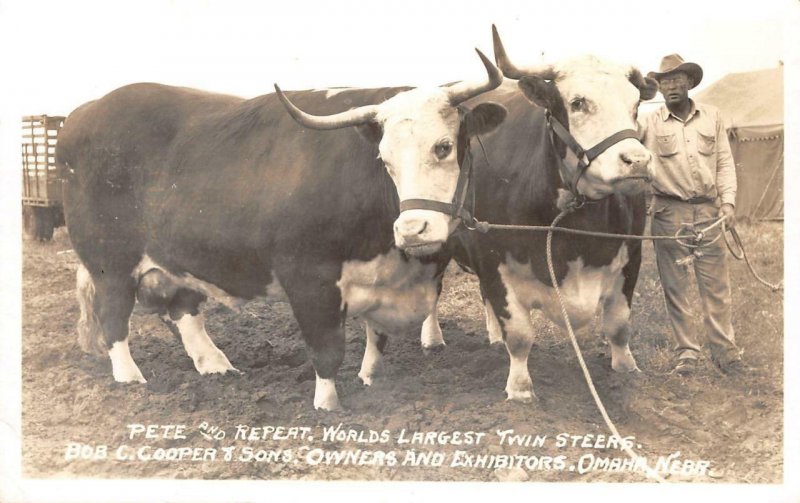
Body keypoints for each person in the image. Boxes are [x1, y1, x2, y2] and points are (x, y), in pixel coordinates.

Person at [639, 54, 745, 376]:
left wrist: (727, 204)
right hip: (669, 212)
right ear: (658, 87)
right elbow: (639, 166)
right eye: (664, 81)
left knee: (716, 287)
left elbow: (725, 163)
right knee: (676, 287)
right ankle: (687, 352)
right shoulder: (648, 124)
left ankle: (725, 353)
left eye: (676, 79)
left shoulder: (712, 117)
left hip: (709, 211)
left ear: (688, 82)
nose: (670, 86)